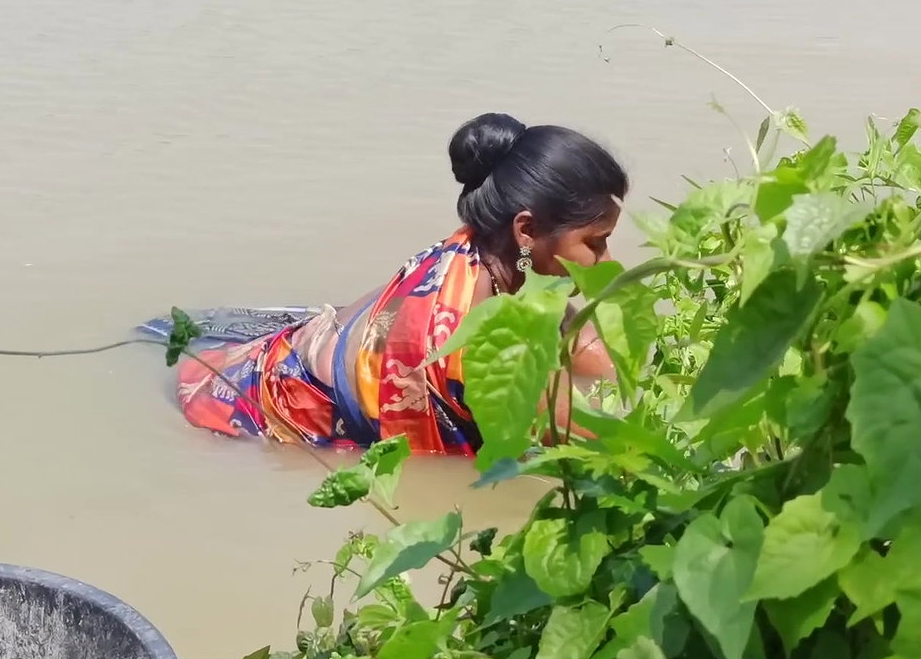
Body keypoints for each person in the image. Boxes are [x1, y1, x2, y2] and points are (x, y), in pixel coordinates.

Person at [171, 113, 628, 456]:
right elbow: (604, 451)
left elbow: (590, 351)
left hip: (287, 353)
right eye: (595, 243)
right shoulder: (485, 333)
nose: (607, 261)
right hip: (250, 415)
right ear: (526, 230)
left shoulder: (489, 251)